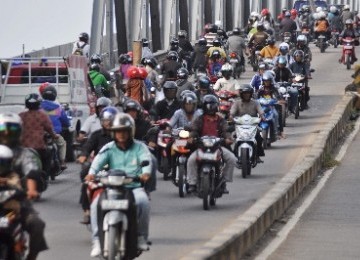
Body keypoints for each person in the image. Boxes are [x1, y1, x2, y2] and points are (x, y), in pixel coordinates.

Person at [85, 113, 151, 257]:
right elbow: (97, 161)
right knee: (96, 204)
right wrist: (91, 173)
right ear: (114, 133)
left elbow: (146, 160)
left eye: (124, 131)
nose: (121, 134)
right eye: (118, 131)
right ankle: (96, 240)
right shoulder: (109, 148)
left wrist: (145, 173)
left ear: (130, 132)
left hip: (133, 186)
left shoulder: (139, 147)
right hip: (111, 186)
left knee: (143, 202)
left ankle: (141, 237)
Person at [0, 116, 48, 260]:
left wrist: (31, 190)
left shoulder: (24, 154)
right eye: (4, 130)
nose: (7, 134)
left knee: (37, 224)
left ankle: (31, 256)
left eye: (12, 130)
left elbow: (32, 171)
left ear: (19, 132)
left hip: (17, 200)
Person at [77, 106, 119, 224]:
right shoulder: (96, 135)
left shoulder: (121, 134)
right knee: (87, 182)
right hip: (100, 166)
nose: (107, 123)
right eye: (105, 120)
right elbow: (87, 147)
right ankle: (87, 212)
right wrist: (83, 155)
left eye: (110, 120)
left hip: (118, 167)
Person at [187, 94, 236, 194]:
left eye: (213, 105)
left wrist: (227, 138)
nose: (211, 108)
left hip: (217, 146)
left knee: (232, 158)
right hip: (201, 147)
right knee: (191, 160)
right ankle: (192, 183)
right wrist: (191, 137)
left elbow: (225, 130)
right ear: (204, 106)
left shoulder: (220, 119)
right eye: (209, 105)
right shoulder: (199, 119)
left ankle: (224, 181)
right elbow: (194, 129)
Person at [19, 93, 58, 177]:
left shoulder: (21, 115)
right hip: (39, 147)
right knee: (49, 153)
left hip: (23, 147)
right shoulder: (42, 115)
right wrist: (54, 136)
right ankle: (45, 175)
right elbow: (49, 128)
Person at [230, 84, 265, 161]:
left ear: (251, 93)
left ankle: (258, 155)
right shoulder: (237, 103)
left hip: (253, 125)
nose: (246, 95)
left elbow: (261, 111)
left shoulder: (255, 103)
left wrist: (262, 116)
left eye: (248, 93)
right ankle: (234, 155)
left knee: (259, 137)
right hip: (239, 126)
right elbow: (232, 113)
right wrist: (231, 117)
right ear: (241, 94)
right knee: (231, 137)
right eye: (245, 93)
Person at [40, 85, 69, 169]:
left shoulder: (39, 107)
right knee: (62, 144)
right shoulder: (58, 108)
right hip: (55, 133)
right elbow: (65, 121)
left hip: (41, 133)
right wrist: (67, 125)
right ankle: (62, 162)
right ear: (54, 95)